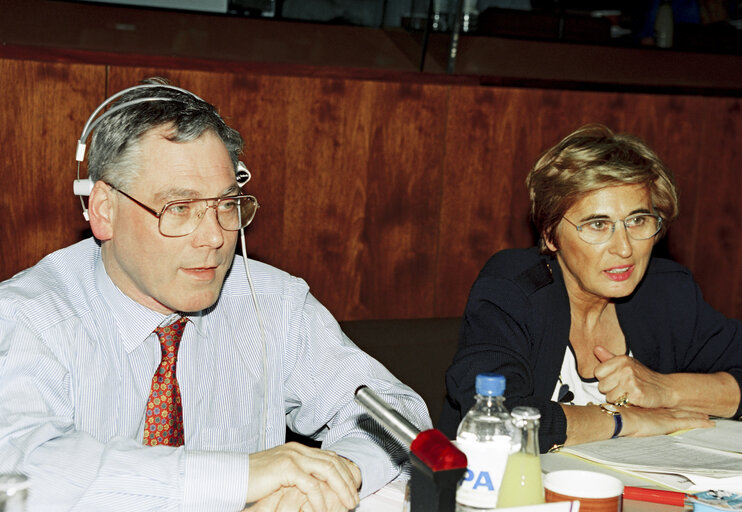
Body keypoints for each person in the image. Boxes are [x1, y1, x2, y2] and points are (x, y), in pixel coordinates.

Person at [0, 78, 431, 511]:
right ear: (103, 211)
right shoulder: (27, 315)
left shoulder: (273, 303)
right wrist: (242, 477)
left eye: (227, 205)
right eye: (180, 209)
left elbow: (399, 414)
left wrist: (326, 475)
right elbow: (23, 469)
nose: (214, 237)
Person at [438, 124, 742, 452]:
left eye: (638, 220)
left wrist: (667, 390)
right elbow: (497, 419)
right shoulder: (514, 287)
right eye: (597, 224)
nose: (624, 248)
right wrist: (624, 420)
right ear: (551, 235)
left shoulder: (667, 293)